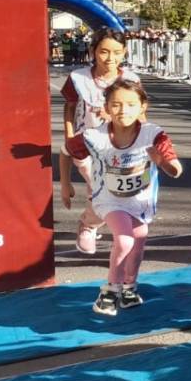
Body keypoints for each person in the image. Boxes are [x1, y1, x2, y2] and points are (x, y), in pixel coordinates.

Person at [64, 80, 182, 314]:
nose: (123, 111)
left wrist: (161, 162)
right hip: (108, 199)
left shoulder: (153, 134)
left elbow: (176, 170)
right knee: (125, 239)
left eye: (130, 104)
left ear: (142, 107)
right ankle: (109, 290)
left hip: (140, 200)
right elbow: (66, 151)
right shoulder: (92, 136)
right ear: (106, 108)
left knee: (139, 240)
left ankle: (129, 288)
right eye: (116, 105)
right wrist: (65, 184)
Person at [60, 28, 142, 255]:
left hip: (121, 146)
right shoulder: (78, 78)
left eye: (116, 52)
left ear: (124, 52)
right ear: (93, 51)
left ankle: (93, 223)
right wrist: (69, 136)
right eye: (104, 52)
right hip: (86, 147)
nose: (110, 58)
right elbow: (69, 109)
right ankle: (90, 225)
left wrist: (118, 116)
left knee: (110, 191)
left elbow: (142, 114)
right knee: (101, 187)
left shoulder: (131, 80)